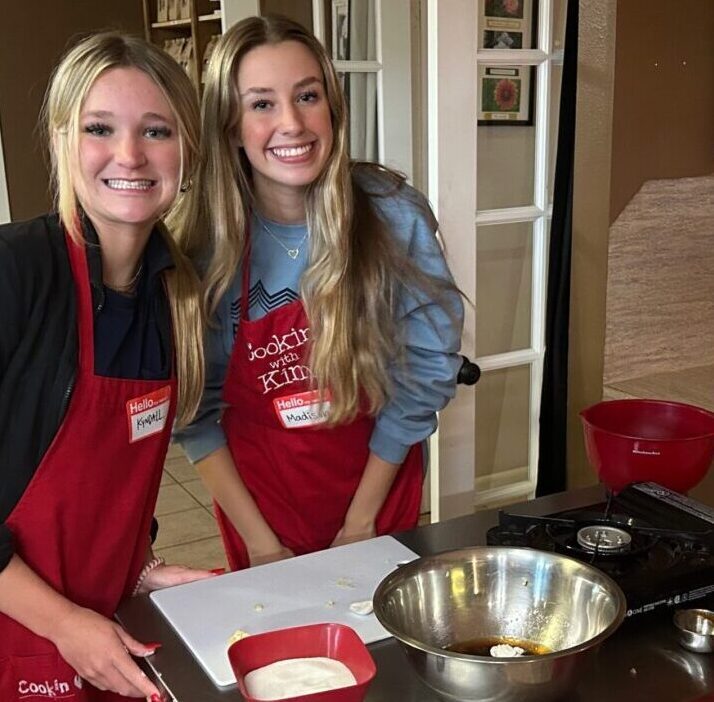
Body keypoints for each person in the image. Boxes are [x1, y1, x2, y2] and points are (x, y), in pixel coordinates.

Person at [174, 15, 464, 572]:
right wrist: (260, 540)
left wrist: (361, 522)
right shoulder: (205, 248)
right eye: (261, 104)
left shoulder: (390, 213)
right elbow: (195, 412)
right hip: (261, 502)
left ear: (331, 105)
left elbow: (424, 374)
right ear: (231, 125)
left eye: (307, 96)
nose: (292, 123)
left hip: (377, 485)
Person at [0, 32, 216, 702]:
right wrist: (64, 622)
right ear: (64, 140)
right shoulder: (16, 273)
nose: (130, 154)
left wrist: (138, 566)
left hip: (101, 622)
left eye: (157, 130)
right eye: (101, 128)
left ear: (186, 152)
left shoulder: (172, 293)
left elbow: (110, 475)